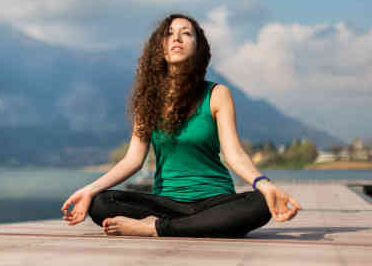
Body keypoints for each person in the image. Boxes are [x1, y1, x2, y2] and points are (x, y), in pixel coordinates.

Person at [61, 13, 302, 237]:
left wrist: (264, 184)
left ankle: (155, 228)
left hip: (214, 201)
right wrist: (89, 190)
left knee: (260, 204)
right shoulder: (147, 101)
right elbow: (132, 160)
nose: (176, 37)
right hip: (165, 203)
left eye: (186, 33)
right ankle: (179, 225)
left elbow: (234, 154)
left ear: (198, 47)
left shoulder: (217, 94)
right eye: (169, 33)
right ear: (160, 47)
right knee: (101, 203)